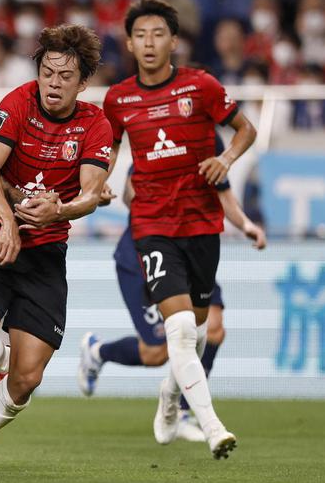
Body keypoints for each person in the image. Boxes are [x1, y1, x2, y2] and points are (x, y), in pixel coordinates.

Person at [0, 25, 114, 475]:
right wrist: (8, 221)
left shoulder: (95, 124)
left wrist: (60, 212)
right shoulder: (18, 103)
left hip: (46, 256)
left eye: (65, 76)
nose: (53, 83)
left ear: (84, 82)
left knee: (27, 379)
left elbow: (92, 194)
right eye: (47, 72)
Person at [101, 0, 257, 458]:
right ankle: (211, 427)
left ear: (174, 41)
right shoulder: (118, 99)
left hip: (201, 225)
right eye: (141, 36)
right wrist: (94, 189)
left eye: (158, 35)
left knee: (203, 331)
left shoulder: (201, 86)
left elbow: (244, 129)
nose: (149, 44)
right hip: (150, 224)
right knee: (182, 328)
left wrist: (225, 159)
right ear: (129, 44)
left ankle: (170, 396)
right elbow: (104, 156)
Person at [77, 133, 267, 443]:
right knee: (157, 351)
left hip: (195, 247)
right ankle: (98, 352)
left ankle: (180, 410)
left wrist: (245, 225)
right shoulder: (156, 132)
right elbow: (130, 196)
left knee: (214, 330)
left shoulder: (210, 139)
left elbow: (223, 192)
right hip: (148, 250)